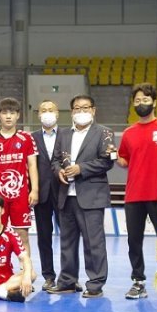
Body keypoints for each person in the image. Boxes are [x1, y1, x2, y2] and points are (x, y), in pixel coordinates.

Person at [47, 94, 115, 298]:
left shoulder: (104, 133)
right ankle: (67, 281)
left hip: (91, 196)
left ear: (93, 110)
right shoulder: (63, 134)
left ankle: (95, 284)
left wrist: (81, 169)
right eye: (77, 108)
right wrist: (59, 171)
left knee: (94, 243)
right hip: (66, 195)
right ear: (71, 112)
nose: (81, 111)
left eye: (85, 108)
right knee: (67, 242)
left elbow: (107, 161)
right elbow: (55, 160)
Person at [117, 83, 157, 302]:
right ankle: (138, 282)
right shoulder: (128, 133)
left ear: (154, 102)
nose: (141, 103)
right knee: (134, 241)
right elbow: (124, 161)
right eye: (137, 100)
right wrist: (113, 156)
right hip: (134, 195)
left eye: (145, 99)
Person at [0, 97, 39, 267]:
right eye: (4, 113)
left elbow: (32, 165)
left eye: (12, 113)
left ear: (18, 115)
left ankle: (25, 270)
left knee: (22, 234)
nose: (8, 116)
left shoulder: (26, 138)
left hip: (21, 195)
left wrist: (34, 189)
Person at [31, 99, 62, 291]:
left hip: (64, 192)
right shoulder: (31, 138)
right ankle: (49, 276)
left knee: (68, 237)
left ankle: (69, 275)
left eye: (51, 109)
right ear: (38, 115)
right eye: (44, 110)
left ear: (57, 113)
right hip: (41, 194)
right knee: (44, 237)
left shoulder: (67, 135)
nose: (48, 112)